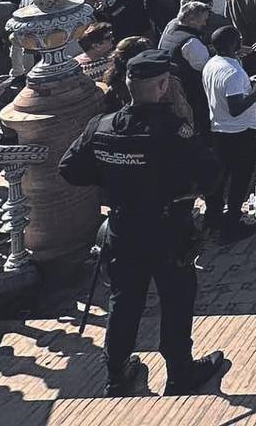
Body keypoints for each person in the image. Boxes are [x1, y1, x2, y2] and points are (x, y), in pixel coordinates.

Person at [58, 48, 229, 397]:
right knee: (176, 302)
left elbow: (70, 169)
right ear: (163, 86)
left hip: (123, 228)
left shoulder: (101, 126)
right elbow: (211, 176)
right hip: (168, 231)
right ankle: (179, 371)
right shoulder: (174, 130)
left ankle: (116, 373)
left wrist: (113, 179)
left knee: (123, 302)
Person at [199, 24, 256, 244]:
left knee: (220, 178)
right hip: (240, 132)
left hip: (218, 130)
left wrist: (248, 86)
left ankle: (213, 218)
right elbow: (236, 108)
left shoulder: (211, 64)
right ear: (234, 43)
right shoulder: (234, 72)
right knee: (240, 179)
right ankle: (232, 223)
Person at [159, 0, 213, 137]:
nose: (205, 24)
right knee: (199, 118)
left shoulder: (172, 25)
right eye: (203, 20)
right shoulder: (191, 42)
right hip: (189, 88)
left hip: (172, 83)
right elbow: (206, 67)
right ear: (191, 20)